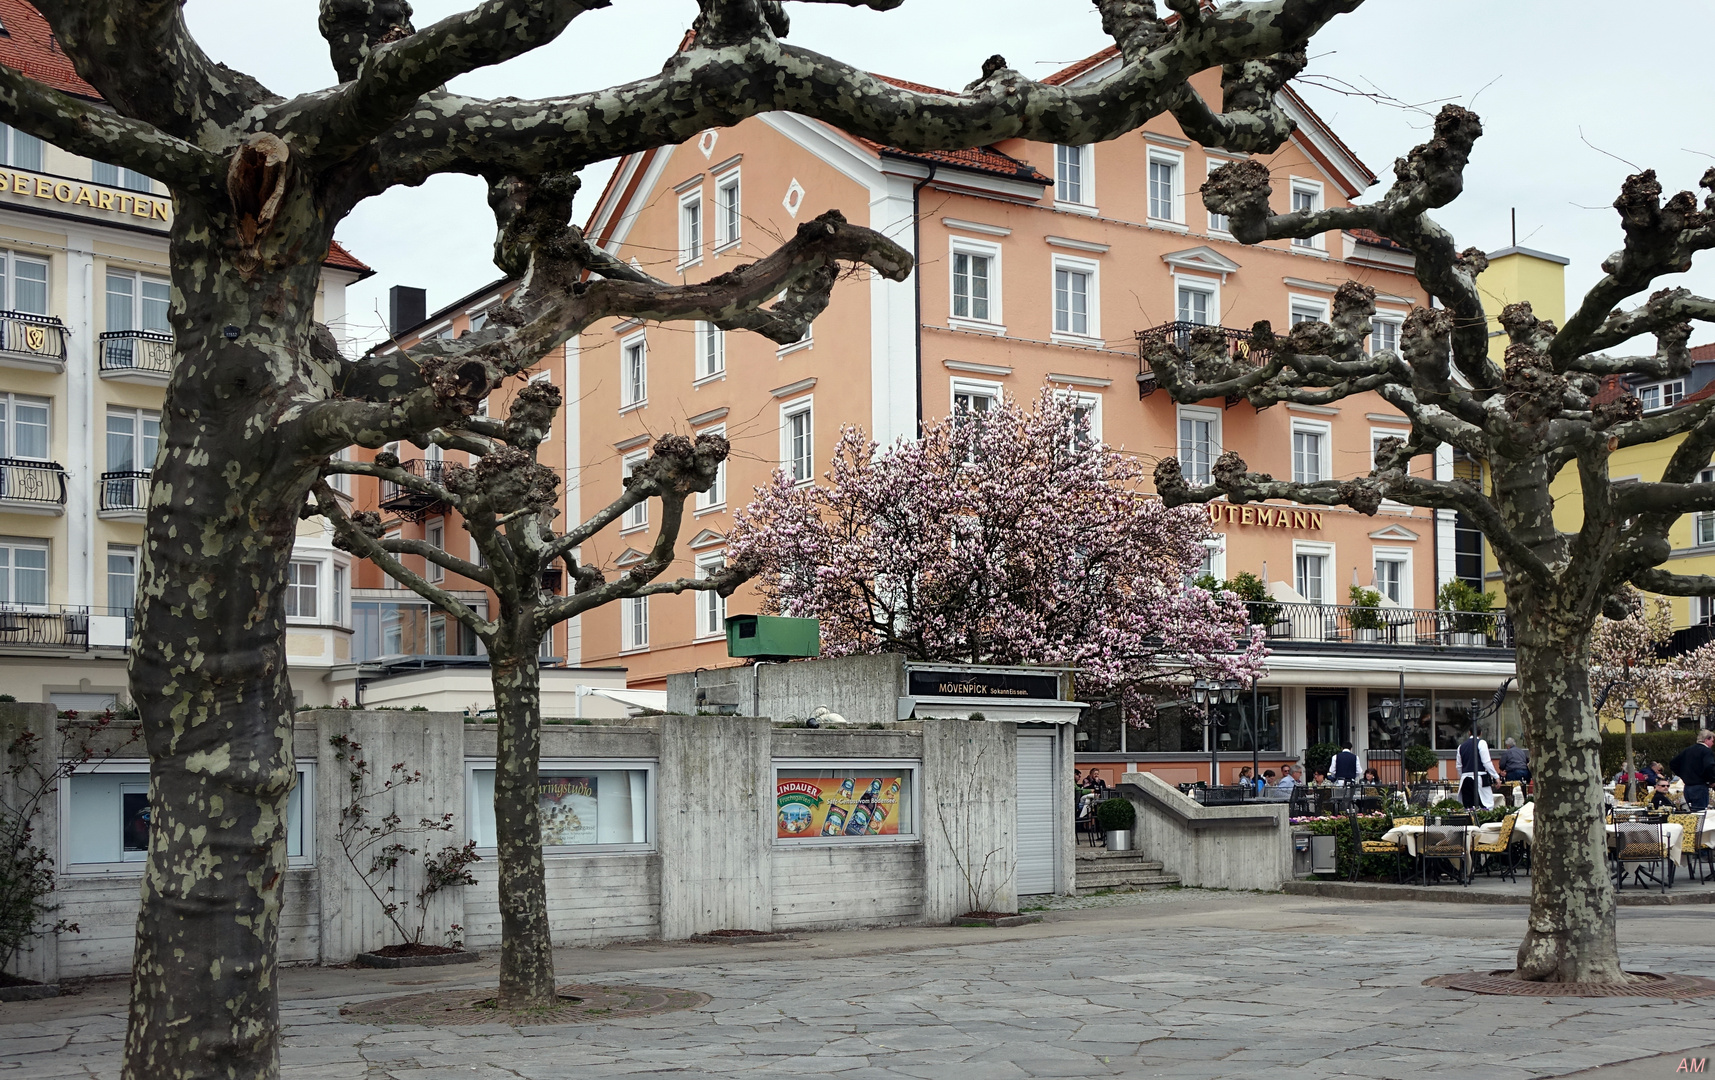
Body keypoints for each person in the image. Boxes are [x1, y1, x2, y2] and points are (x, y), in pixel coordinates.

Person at [1670, 730, 1715, 812]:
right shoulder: (1706, 751)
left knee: (1692, 813)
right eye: (1712, 741)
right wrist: (1712, 780)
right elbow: (1709, 766)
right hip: (1700, 787)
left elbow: (1673, 763)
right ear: (1707, 739)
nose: (1713, 744)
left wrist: (1683, 775)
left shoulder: (1687, 750)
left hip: (1687, 787)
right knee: (1700, 813)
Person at [1457, 726, 1501, 810]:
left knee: (1468, 805)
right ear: (1480, 733)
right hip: (1479, 777)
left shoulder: (1461, 746)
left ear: (1469, 733)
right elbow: (1486, 762)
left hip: (1465, 779)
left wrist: (1463, 775)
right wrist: (1496, 777)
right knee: (1485, 803)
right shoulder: (1481, 743)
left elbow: (1459, 766)